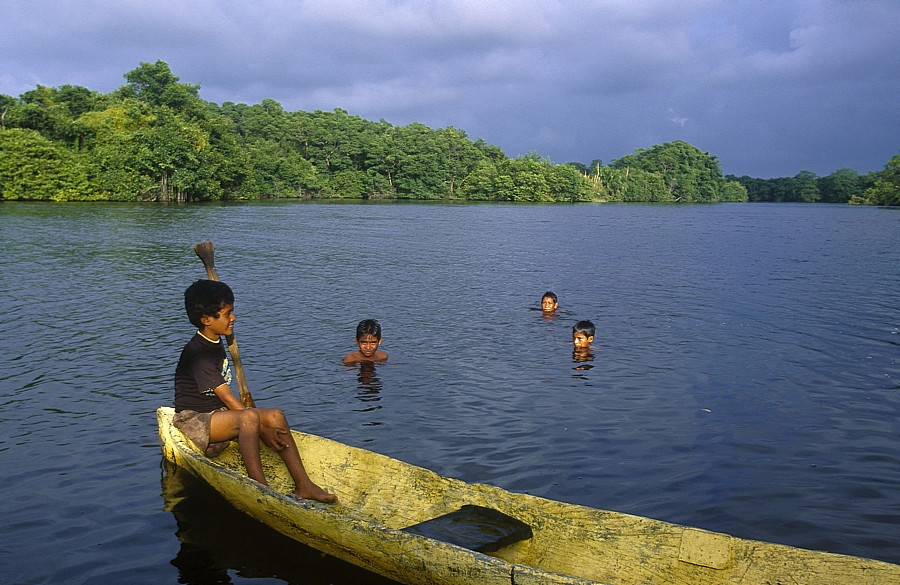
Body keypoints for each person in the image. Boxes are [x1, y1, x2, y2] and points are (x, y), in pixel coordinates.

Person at [173, 279, 336, 503]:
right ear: (206, 320)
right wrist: (261, 429)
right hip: (194, 419)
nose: (233, 318)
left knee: (276, 416)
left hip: (218, 413)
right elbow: (229, 398)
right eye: (227, 313)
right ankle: (260, 488)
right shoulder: (197, 353)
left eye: (232, 312)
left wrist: (267, 424)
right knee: (249, 417)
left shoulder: (216, 338)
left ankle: (304, 485)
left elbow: (228, 405)